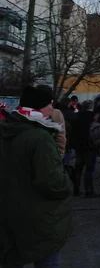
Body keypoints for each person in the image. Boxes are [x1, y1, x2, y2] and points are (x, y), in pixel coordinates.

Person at [0, 86, 72, 267]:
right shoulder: (40, 136)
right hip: (39, 216)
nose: (51, 108)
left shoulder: (6, 129)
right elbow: (53, 183)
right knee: (47, 257)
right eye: (49, 104)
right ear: (40, 106)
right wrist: (68, 183)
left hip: (8, 212)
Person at [71, 100, 100, 198]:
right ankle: (89, 190)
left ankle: (76, 189)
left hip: (79, 146)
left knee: (78, 168)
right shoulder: (94, 117)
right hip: (91, 146)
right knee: (89, 169)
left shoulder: (77, 116)